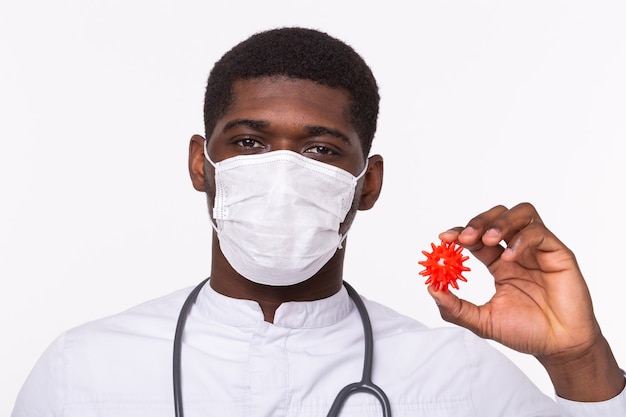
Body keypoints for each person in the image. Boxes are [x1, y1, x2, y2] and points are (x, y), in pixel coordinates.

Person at [12, 27, 625, 417]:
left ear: (370, 182)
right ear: (202, 163)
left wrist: (577, 360)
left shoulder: (462, 380)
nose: (281, 172)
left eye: (321, 150)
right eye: (249, 143)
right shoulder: (81, 374)